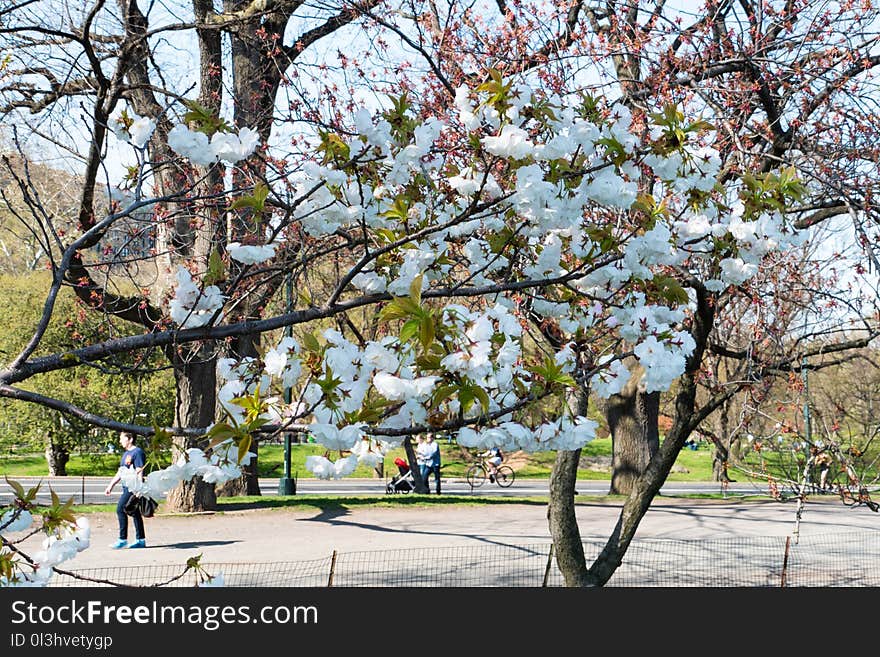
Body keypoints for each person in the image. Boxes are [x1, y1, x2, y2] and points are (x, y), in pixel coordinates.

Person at [104, 431, 147, 548]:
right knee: (134, 511)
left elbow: (139, 470)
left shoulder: (137, 452)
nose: (120, 441)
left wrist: (139, 489)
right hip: (125, 487)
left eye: (122, 438)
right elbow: (120, 472)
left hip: (132, 488)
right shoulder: (126, 454)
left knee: (121, 509)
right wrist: (110, 485)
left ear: (130, 439)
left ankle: (122, 539)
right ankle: (141, 540)